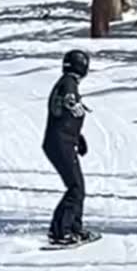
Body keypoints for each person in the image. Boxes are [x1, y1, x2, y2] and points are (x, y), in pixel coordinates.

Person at [42, 48, 97, 245]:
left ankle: (73, 227)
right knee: (75, 188)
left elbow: (64, 116)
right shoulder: (68, 84)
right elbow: (63, 105)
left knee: (78, 187)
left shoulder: (68, 83)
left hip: (62, 141)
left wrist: (77, 137)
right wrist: (69, 103)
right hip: (59, 143)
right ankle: (60, 232)